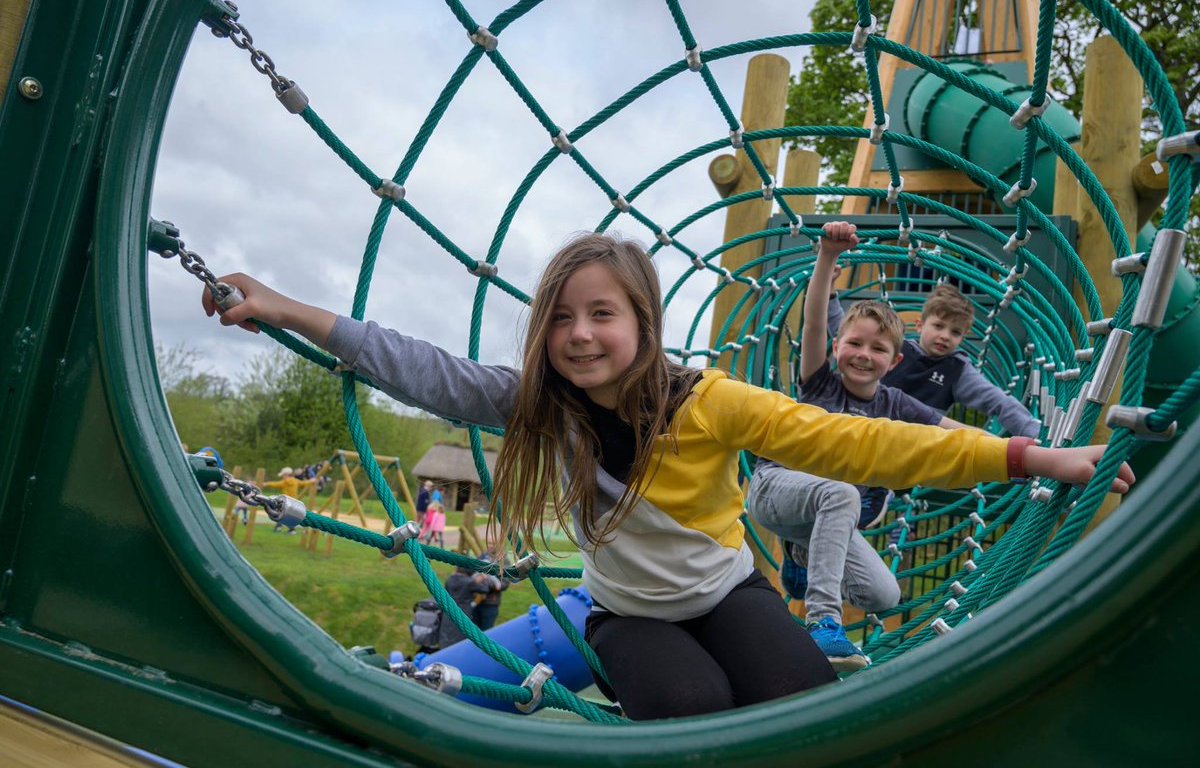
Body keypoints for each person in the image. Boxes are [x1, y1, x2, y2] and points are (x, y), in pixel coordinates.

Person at [203, 232, 1133, 720]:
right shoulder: (544, 404)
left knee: (801, 699)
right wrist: (285, 307)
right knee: (691, 709)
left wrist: (1031, 455)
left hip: (727, 588)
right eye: (560, 317)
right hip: (626, 613)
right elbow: (423, 368)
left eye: (601, 313)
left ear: (643, 322)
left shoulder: (710, 401)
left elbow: (863, 445)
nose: (579, 334)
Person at [748, 222, 971, 669]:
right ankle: (824, 624)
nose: (864, 354)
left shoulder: (894, 403)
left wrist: (1027, 455)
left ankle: (801, 554)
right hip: (776, 489)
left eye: (878, 348)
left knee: (883, 595)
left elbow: (956, 433)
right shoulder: (820, 383)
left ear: (895, 360)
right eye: (854, 343)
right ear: (837, 346)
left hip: (824, 514)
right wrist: (828, 256)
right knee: (843, 492)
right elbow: (813, 320)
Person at [829, 283, 1042, 439]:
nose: (945, 336)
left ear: (962, 337)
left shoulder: (957, 370)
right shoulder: (896, 349)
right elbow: (845, 331)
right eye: (938, 326)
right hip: (870, 427)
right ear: (920, 325)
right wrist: (829, 295)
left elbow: (997, 400)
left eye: (955, 332)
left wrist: (1034, 434)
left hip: (917, 444)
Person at [262, 466, 316, 534]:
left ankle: (290, 529)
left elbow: (275, 484)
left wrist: (266, 484)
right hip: (294, 502)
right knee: (285, 515)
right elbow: (303, 483)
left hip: (285, 502)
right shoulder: (296, 481)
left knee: (283, 515)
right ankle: (279, 527)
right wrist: (311, 481)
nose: (282, 477)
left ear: (286, 475)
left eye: (283, 475)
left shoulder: (284, 482)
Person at [471, 554, 511, 631]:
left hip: (490, 603)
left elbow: (504, 584)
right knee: (473, 630)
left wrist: (484, 583)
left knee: (487, 631)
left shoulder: (503, 561)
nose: (490, 547)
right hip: (475, 601)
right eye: (489, 545)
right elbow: (472, 574)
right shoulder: (482, 556)